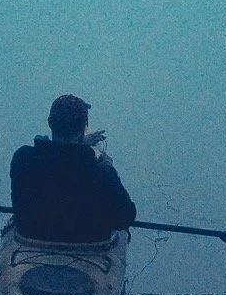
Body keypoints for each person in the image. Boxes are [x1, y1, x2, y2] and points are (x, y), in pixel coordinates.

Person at [9, 94, 137, 243]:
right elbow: (125, 217)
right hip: (86, 246)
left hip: (31, 236)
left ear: (50, 123)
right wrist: (109, 169)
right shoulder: (101, 173)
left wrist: (80, 146)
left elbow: (59, 163)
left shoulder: (23, 159)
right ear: (83, 128)